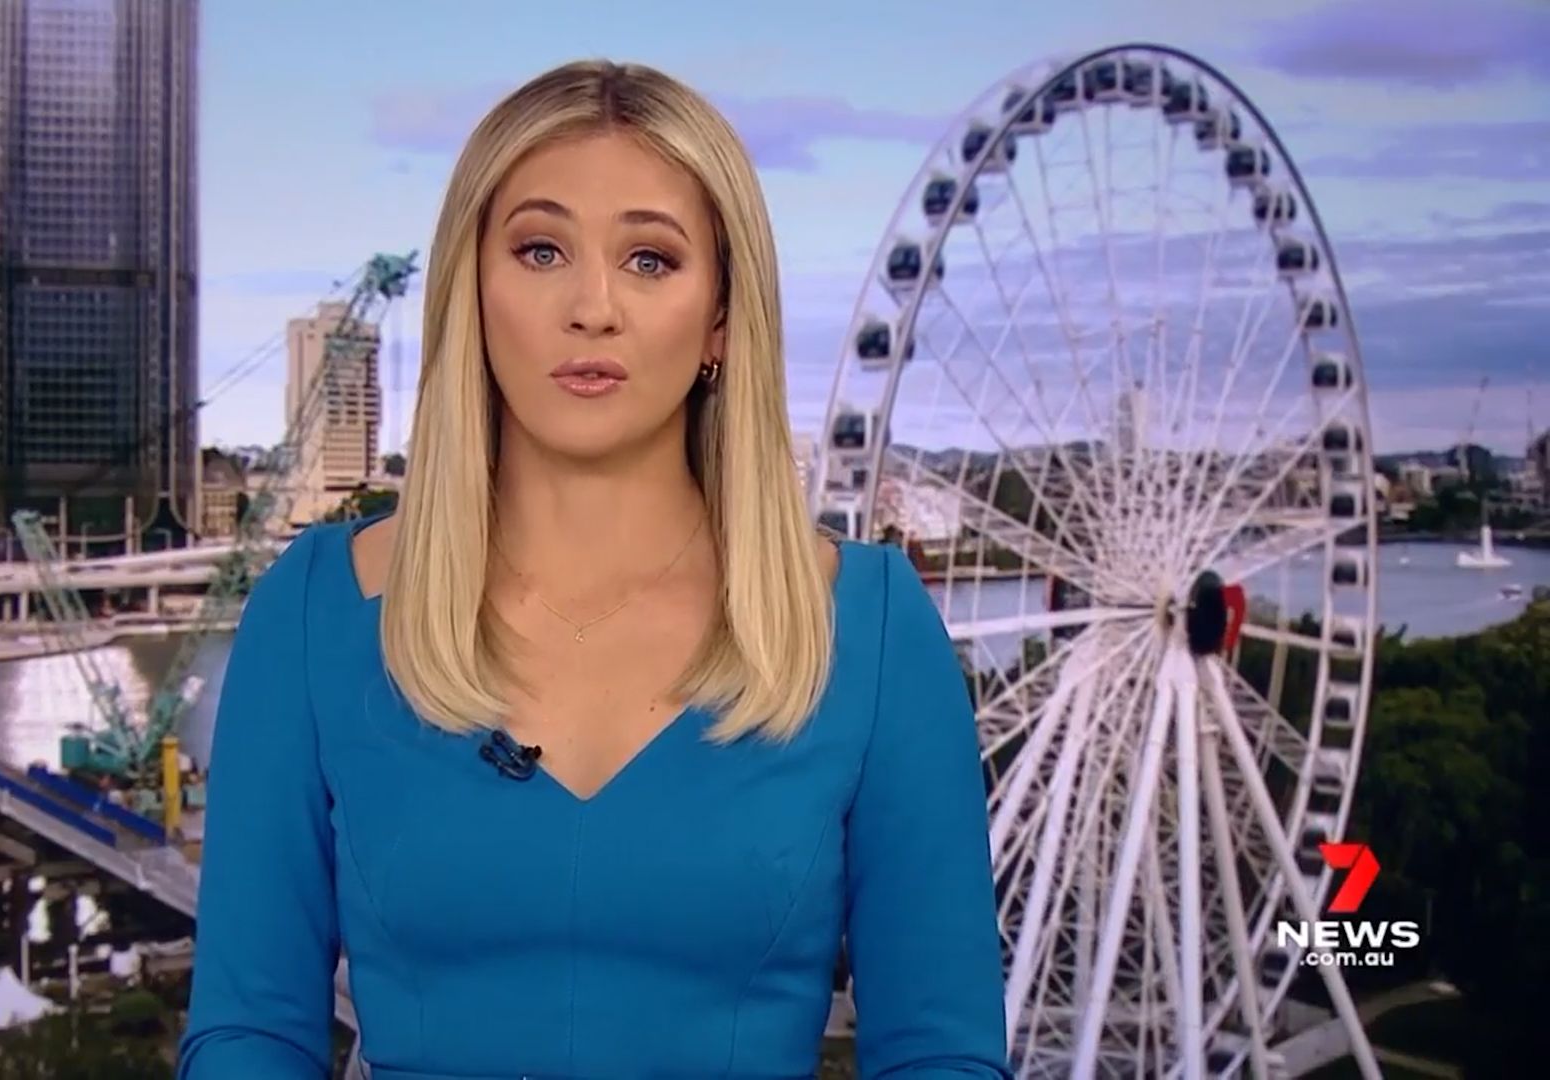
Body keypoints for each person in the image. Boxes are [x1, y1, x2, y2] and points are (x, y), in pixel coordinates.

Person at [179, 58, 1010, 1079]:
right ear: (471, 292)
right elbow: (250, 1034)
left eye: (650, 260)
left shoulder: (870, 635)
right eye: (541, 250)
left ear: (720, 319)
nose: (592, 306)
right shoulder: (315, 615)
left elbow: (940, 1052)